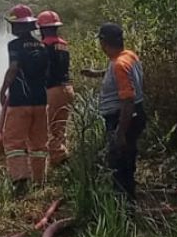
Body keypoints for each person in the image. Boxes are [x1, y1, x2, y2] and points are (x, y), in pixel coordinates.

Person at [82, 22, 146, 204]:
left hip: (123, 119)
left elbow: (128, 100)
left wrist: (120, 132)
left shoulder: (119, 64)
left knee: (119, 165)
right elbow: (119, 73)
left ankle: (124, 209)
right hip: (135, 116)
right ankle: (127, 202)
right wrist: (96, 74)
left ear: (103, 42)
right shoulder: (128, 57)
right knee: (127, 161)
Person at [0, 5, 50, 196]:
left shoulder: (14, 46)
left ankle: (20, 180)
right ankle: (39, 181)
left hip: (20, 101)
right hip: (41, 102)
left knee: (13, 142)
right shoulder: (43, 45)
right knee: (38, 143)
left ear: (19, 26)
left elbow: (13, 68)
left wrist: (3, 89)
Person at [37, 10, 75, 166]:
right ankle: (59, 160)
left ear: (42, 29)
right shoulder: (63, 44)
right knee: (60, 126)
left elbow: (43, 71)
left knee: (50, 128)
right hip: (68, 89)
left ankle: (61, 159)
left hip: (53, 90)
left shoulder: (45, 46)